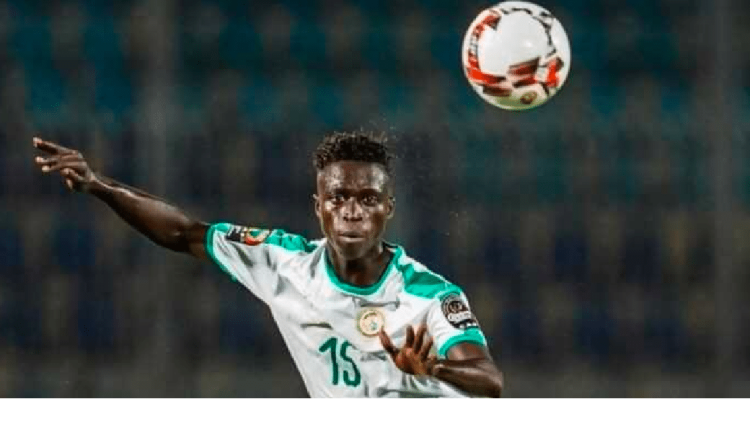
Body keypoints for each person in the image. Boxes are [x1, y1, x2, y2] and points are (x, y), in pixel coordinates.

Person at [33, 132, 504, 399]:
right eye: (338, 197)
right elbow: (184, 233)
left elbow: (490, 381)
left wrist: (433, 368)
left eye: (368, 199)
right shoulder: (285, 263)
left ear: (388, 209)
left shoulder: (429, 294)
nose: (352, 211)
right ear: (318, 207)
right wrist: (99, 185)